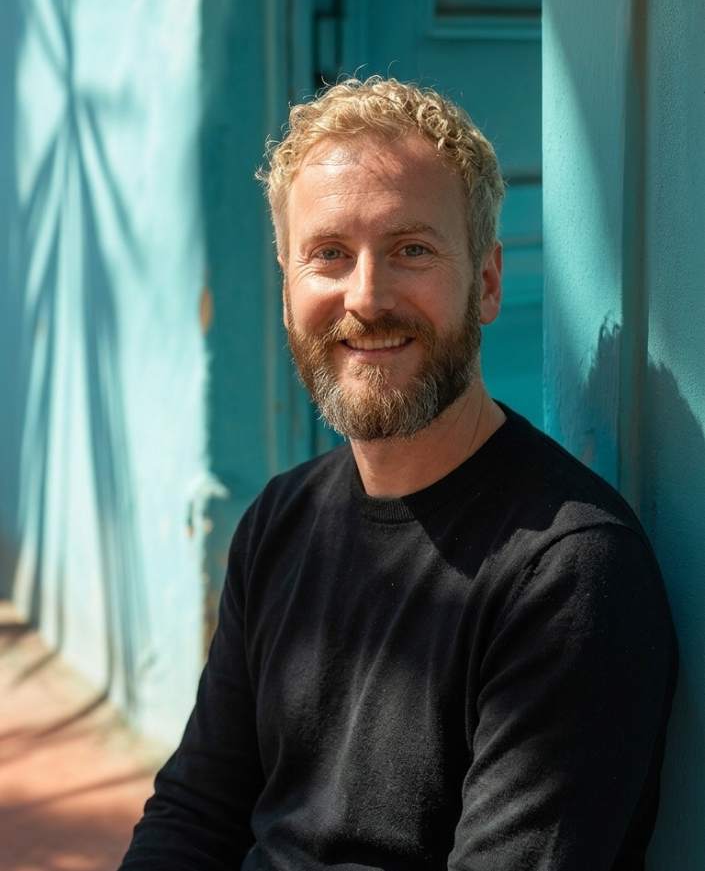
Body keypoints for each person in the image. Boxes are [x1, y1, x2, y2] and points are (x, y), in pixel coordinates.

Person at [119, 77, 677, 870]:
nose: (367, 296)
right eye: (329, 255)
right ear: (287, 289)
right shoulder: (280, 519)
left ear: (485, 282)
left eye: (411, 249)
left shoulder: (571, 572)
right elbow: (196, 809)